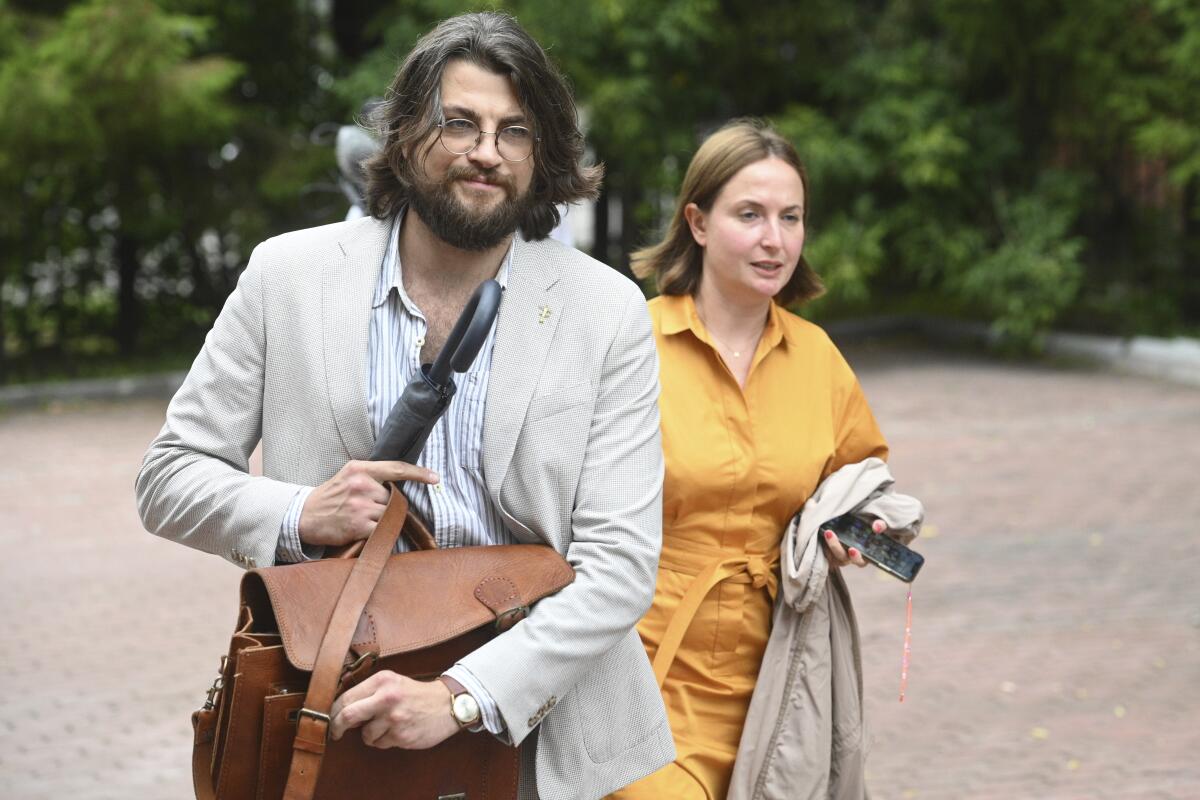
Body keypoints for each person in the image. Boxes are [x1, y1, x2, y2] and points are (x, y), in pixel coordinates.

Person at [136, 12, 674, 799]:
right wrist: (298, 513)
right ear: (403, 134)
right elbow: (168, 478)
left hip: (533, 730)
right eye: (459, 123)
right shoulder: (287, 276)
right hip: (332, 709)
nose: (486, 151)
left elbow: (621, 567)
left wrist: (463, 697)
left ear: (541, 154)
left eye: (515, 132)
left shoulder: (607, 310)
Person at [609, 119, 923, 799]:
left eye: (791, 217)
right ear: (697, 221)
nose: (773, 239)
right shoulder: (630, 344)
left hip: (780, 680)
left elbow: (858, 477)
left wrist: (855, 532)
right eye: (749, 215)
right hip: (641, 671)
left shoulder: (818, 359)